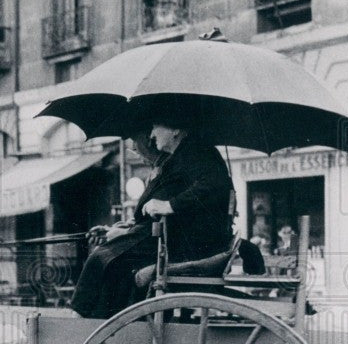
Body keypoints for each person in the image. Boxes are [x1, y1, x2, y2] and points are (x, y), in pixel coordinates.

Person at [69, 120, 234, 318]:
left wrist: (169, 206)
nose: (152, 133)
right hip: (181, 241)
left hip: (191, 246)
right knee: (114, 263)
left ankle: (82, 320)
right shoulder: (184, 154)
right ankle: (108, 321)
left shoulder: (197, 151)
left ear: (175, 129)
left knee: (102, 257)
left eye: (156, 127)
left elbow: (216, 185)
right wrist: (129, 229)